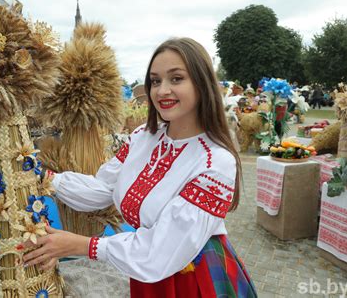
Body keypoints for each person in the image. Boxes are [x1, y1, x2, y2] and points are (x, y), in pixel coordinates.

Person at [20, 38, 257, 297]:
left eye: (176, 79)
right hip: (146, 273)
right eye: (155, 81)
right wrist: (43, 177)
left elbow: (161, 252)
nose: (162, 90)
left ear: (202, 84)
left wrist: (80, 245)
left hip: (193, 277)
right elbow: (101, 189)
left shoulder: (215, 161)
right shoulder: (143, 137)